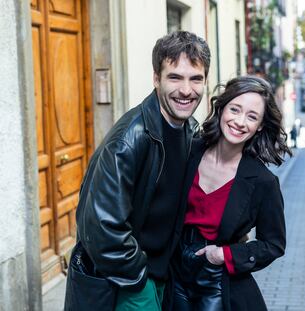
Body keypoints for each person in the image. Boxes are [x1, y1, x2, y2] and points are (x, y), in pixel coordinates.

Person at [64, 31, 210, 311]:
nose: (186, 90)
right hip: (130, 282)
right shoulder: (129, 139)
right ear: (156, 79)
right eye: (175, 77)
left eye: (196, 79)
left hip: (161, 274)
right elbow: (101, 228)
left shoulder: (189, 130)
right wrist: (139, 277)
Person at [171, 76, 291, 311]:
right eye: (235, 109)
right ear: (222, 108)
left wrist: (224, 254)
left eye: (252, 116)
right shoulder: (189, 151)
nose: (240, 121)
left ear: (259, 127)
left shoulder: (263, 182)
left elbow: (274, 244)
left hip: (217, 281)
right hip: (174, 274)